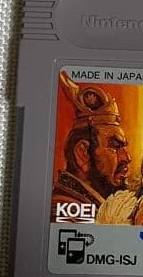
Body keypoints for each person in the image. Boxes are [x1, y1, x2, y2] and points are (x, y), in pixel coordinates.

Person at [52, 72, 131, 218]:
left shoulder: (97, 208)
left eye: (124, 147)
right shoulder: (67, 211)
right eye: (115, 146)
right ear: (83, 154)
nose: (127, 157)